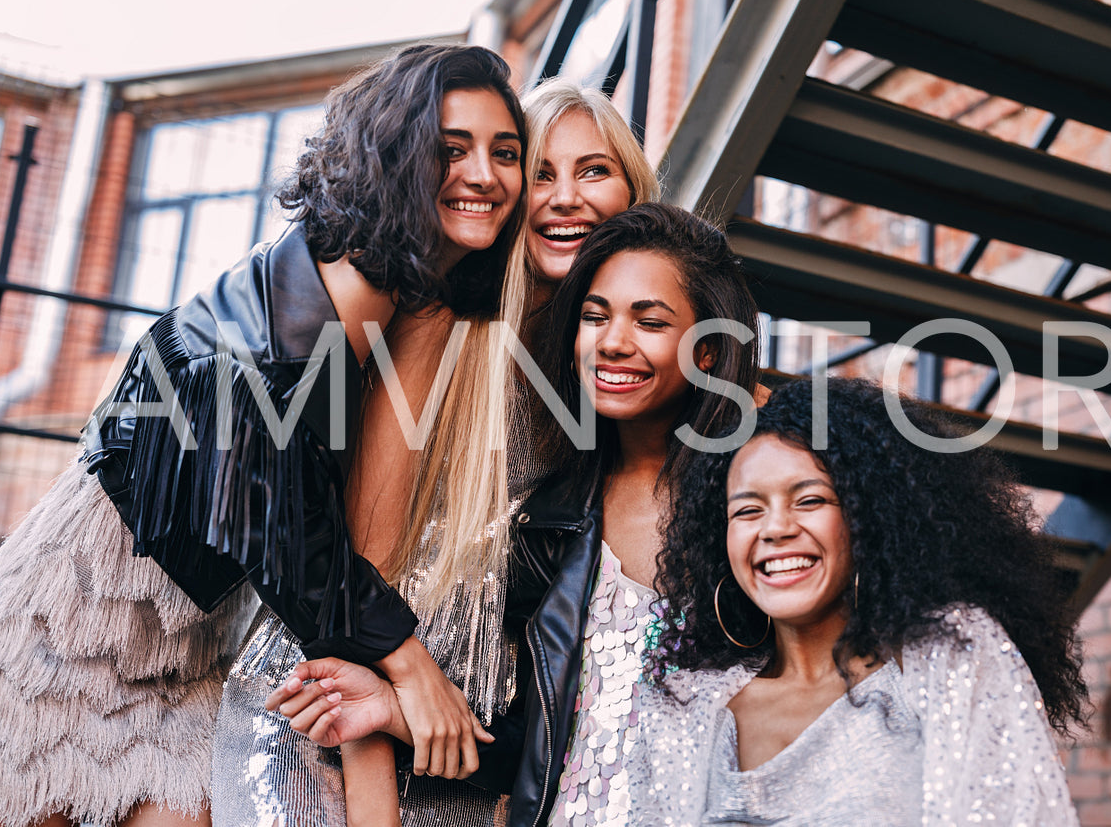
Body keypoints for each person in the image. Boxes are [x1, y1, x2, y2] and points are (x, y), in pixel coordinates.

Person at [0, 42, 524, 827]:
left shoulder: (383, 289)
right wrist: (412, 666)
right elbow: (276, 522)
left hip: (184, 659)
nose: (484, 174)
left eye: (504, 151)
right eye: (452, 149)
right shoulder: (327, 293)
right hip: (68, 638)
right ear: (397, 154)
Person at [218, 78, 660, 826]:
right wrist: (373, 803)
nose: (564, 198)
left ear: (632, 193)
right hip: (328, 704)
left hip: (457, 732)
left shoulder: (609, 372)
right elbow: (365, 569)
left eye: (594, 170)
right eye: (542, 173)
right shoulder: (442, 325)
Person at [268, 202, 762, 827]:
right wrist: (391, 712)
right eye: (594, 316)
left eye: (651, 322)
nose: (613, 342)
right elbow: (541, 749)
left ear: (711, 351)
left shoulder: (760, 502)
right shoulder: (552, 522)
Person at [632, 377, 1088, 826]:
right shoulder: (685, 709)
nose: (774, 529)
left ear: (873, 516)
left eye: (809, 499)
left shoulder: (950, 657)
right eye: (748, 510)